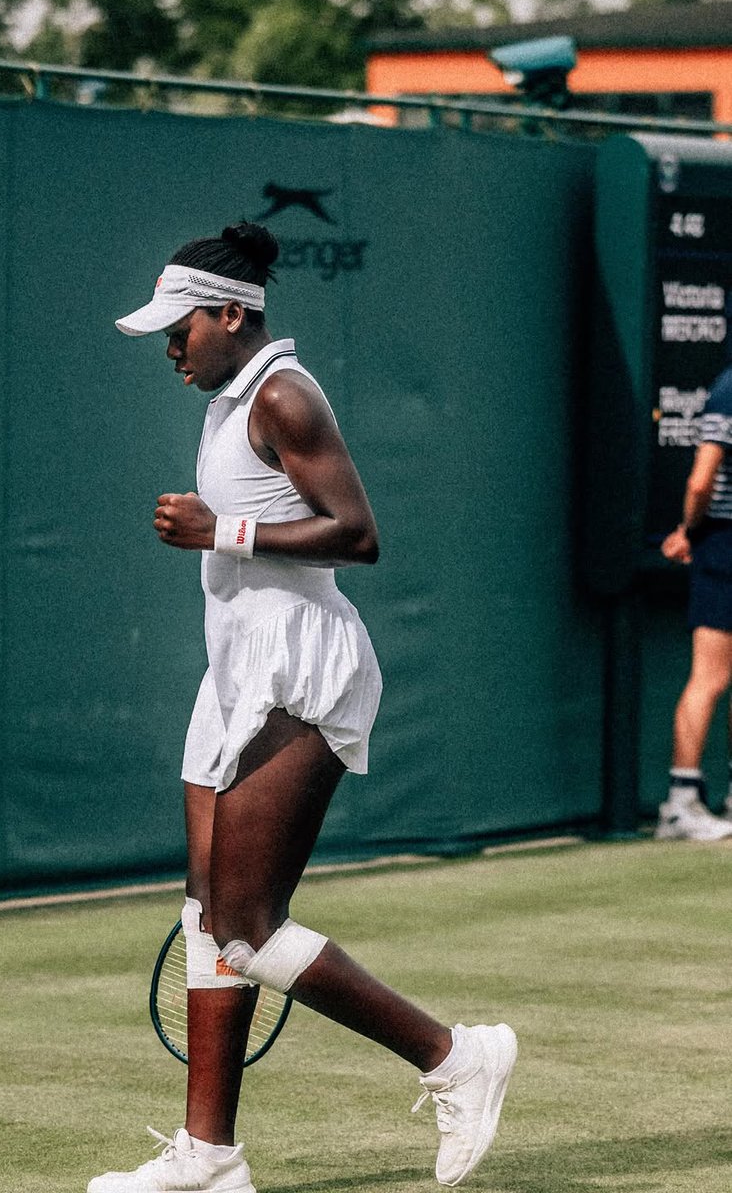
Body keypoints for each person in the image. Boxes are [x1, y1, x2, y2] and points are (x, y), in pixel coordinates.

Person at [89, 222, 517, 1193]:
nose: (169, 347)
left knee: (246, 925)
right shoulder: (225, 393)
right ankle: (209, 1156)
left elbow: (360, 535)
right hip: (234, 672)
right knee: (206, 911)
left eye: (180, 328)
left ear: (232, 315)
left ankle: (456, 1057)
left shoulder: (284, 392)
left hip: (300, 668)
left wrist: (223, 528)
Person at [657, 358, 732, 842]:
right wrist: (691, 529)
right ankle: (680, 805)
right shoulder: (730, 388)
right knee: (710, 676)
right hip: (723, 543)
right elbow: (701, 479)